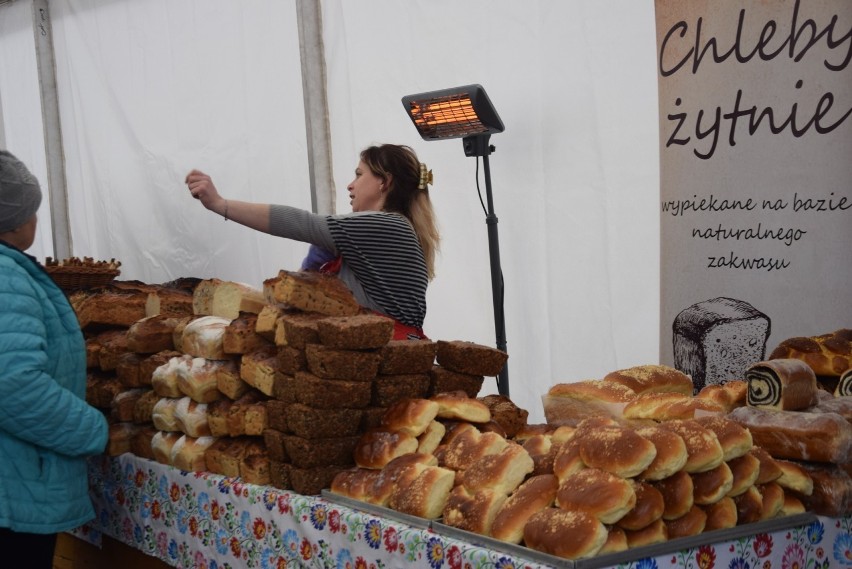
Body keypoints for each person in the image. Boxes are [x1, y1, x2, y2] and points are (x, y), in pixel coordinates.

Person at [185, 143, 440, 339]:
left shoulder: (389, 225)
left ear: (384, 182)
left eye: (359, 175)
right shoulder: (385, 232)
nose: (350, 185)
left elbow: (303, 223)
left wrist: (221, 204)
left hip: (387, 353)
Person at [0, 150, 110, 568]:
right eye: (34, 211)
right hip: (13, 500)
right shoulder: (5, 275)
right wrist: (92, 430)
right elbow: (14, 385)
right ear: (16, 219)